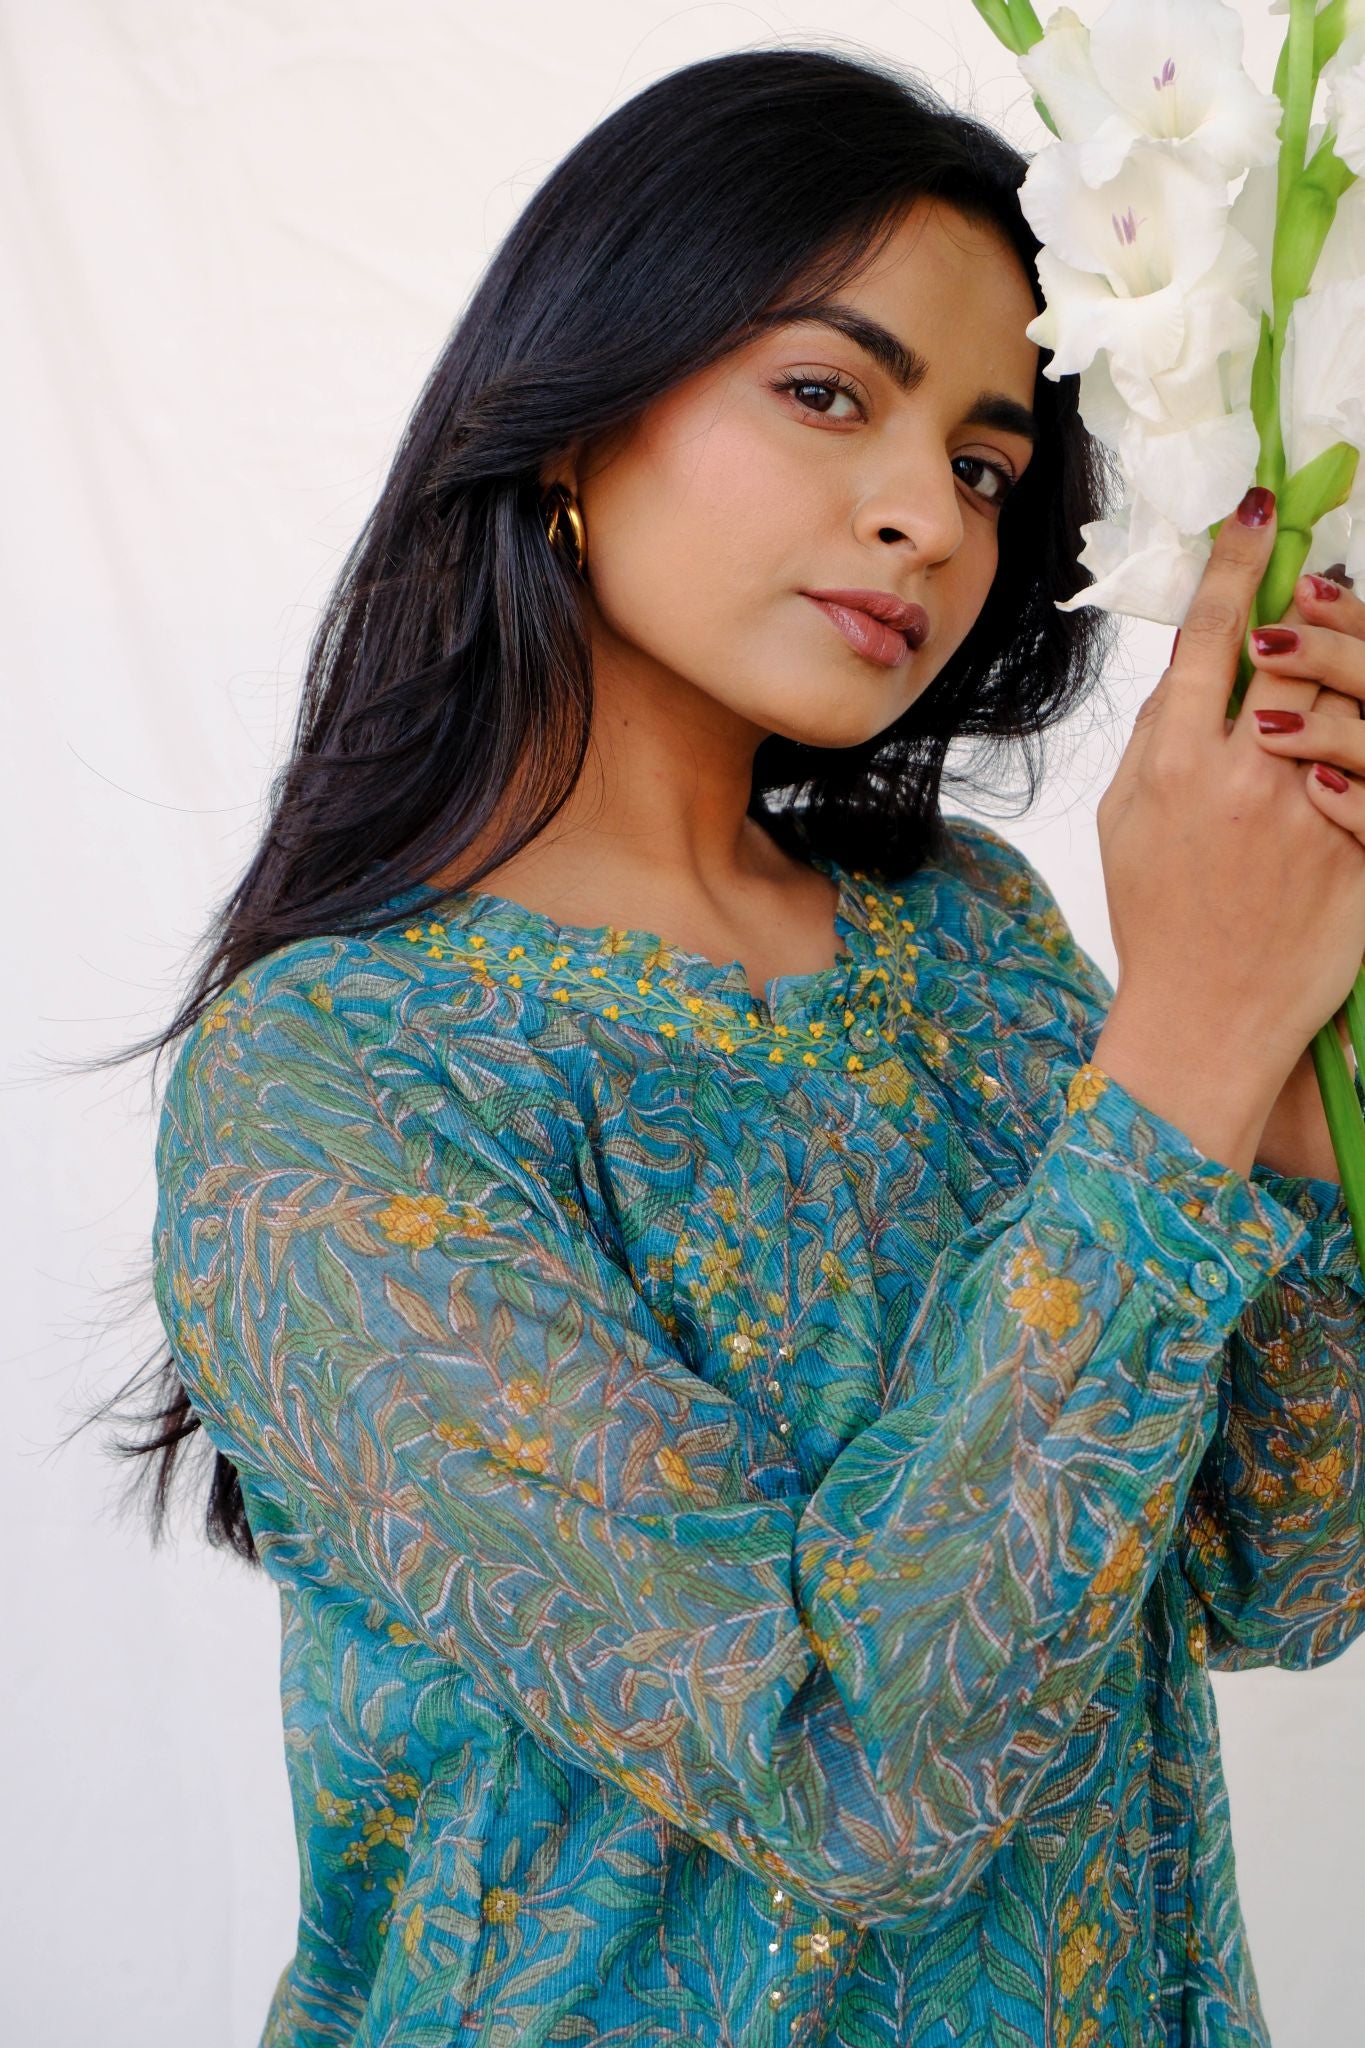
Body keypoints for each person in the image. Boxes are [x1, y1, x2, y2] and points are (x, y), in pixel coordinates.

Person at [135, 43, 1365, 2048]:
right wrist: (1184, 1046)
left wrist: (1286, 1044)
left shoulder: (966, 941)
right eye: (823, 392)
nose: (923, 519)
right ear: (570, 413)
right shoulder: (333, 1080)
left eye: (980, 464)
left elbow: (1267, 1569)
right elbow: (844, 1769)